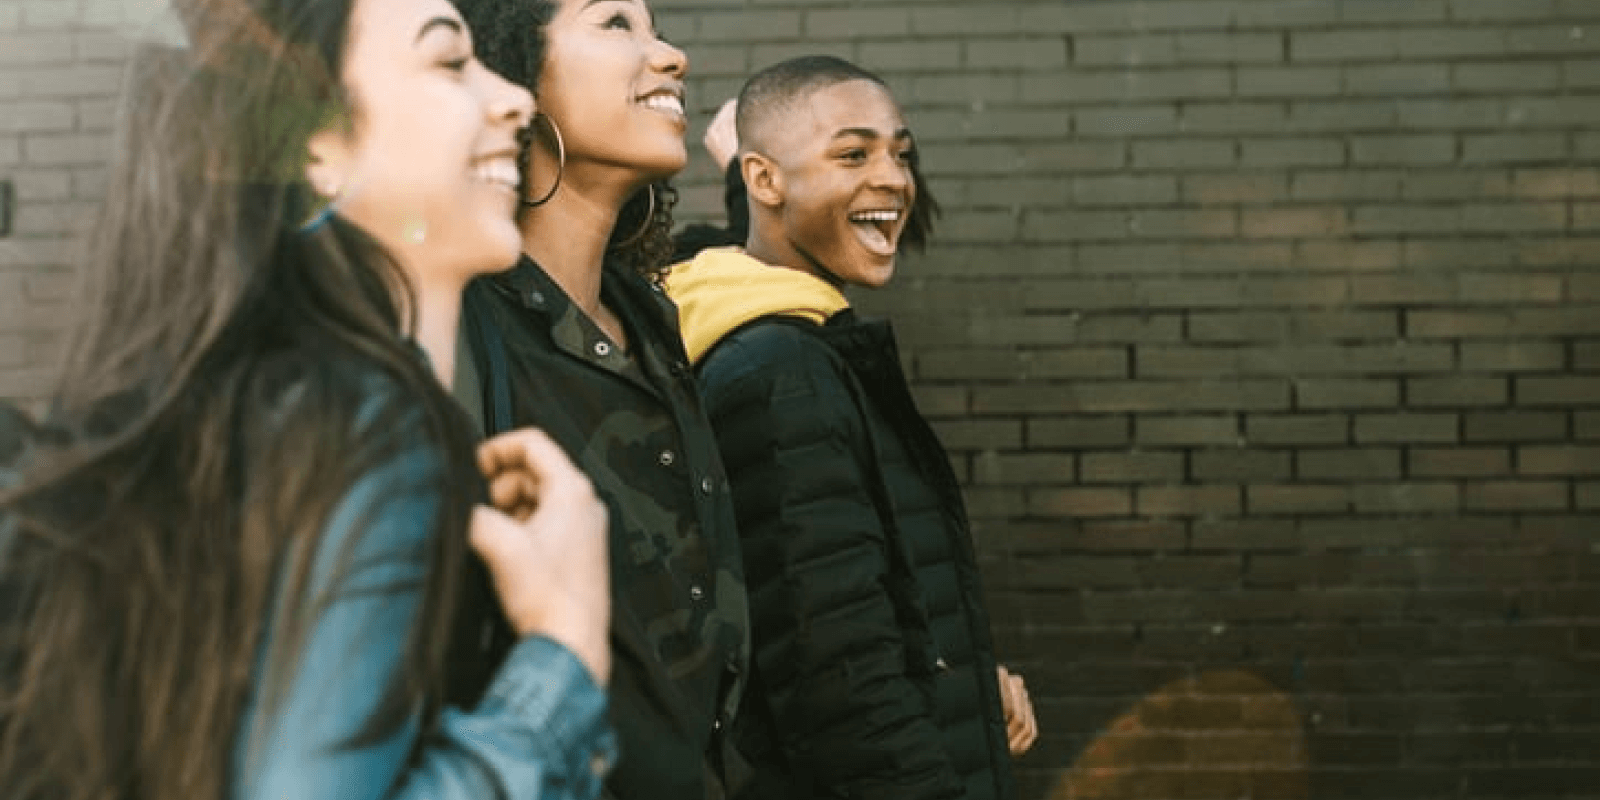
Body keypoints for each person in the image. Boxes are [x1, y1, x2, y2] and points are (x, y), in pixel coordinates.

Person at [0, 0, 618, 796]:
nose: (515, 99)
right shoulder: (368, 422)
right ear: (315, 146)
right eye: (449, 61)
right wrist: (563, 657)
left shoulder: (236, 418)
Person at [664, 56, 1038, 800]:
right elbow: (838, 679)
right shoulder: (780, 371)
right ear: (763, 181)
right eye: (853, 153)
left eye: (901, 153)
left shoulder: (803, 345)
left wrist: (960, 671)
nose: (896, 178)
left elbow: (857, 598)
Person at [449, 0, 749, 797]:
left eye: (655, 28)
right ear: (513, 71)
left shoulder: (653, 322)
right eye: (615, 23)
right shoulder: (462, 323)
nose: (670, 56)